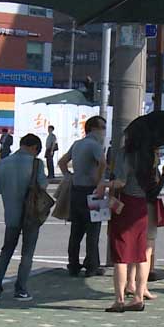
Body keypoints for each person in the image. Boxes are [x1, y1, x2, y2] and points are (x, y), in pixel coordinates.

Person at [96, 133, 156, 313]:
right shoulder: (150, 156)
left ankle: (119, 300)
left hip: (126, 205)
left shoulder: (125, 154)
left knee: (121, 254)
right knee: (141, 253)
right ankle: (138, 297)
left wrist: (105, 184)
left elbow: (121, 181)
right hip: (141, 206)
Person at [0, 134, 48, 301]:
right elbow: (42, 186)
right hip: (31, 215)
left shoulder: (4, 162)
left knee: (6, 250)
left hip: (10, 214)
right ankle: (20, 289)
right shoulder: (36, 164)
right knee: (27, 253)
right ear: (34, 148)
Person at [58, 116, 107, 277]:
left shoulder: (77, 144)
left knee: (76, 231)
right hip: (93, 191)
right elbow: (103, 163)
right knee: (93, 232)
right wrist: (99, 180)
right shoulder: (95, 145)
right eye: (103, 127)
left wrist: (69, 175)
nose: (104, 131)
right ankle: (92, 266)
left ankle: (73, 264)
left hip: (76, 191)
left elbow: (62, 162)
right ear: (94, 128)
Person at [127, 148, 164, 299]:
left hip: (134, 208)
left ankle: (131, 283)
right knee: (147, 249)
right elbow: (153, 192)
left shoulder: (135, 165)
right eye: (157, 154)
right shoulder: (150, 171)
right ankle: (142, 288)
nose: (159, 157)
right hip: (148, 209)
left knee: (134, 247)